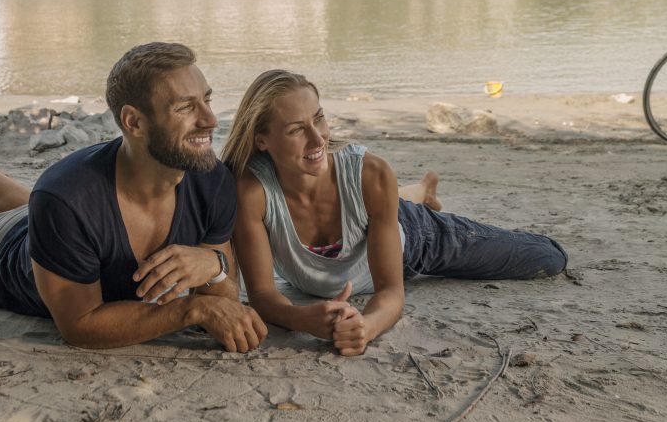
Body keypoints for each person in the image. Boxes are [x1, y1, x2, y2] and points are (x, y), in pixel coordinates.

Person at [0, 42, 267, 353]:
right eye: (184, 107)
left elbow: (225, 296)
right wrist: (191, 309)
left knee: (34, 207)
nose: (209, 119)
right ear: (133, 121)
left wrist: (216, 269)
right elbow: (79, 326)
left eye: (206, 99)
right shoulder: (66, 199)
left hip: (53, 221)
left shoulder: (212, 180)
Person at [223, 70, 567, 357]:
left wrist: (367, 326)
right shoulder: (251, 192)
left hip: (414, 240)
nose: (318, 140)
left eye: (319, 119)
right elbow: (263, 296)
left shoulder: (370, 173)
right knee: (387, 201)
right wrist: (301, 318)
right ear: (262, 140)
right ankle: (421, 190)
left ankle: (419, 196)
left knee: (549, 257)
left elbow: (391, 291)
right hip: (371, 219)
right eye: (296, 129)